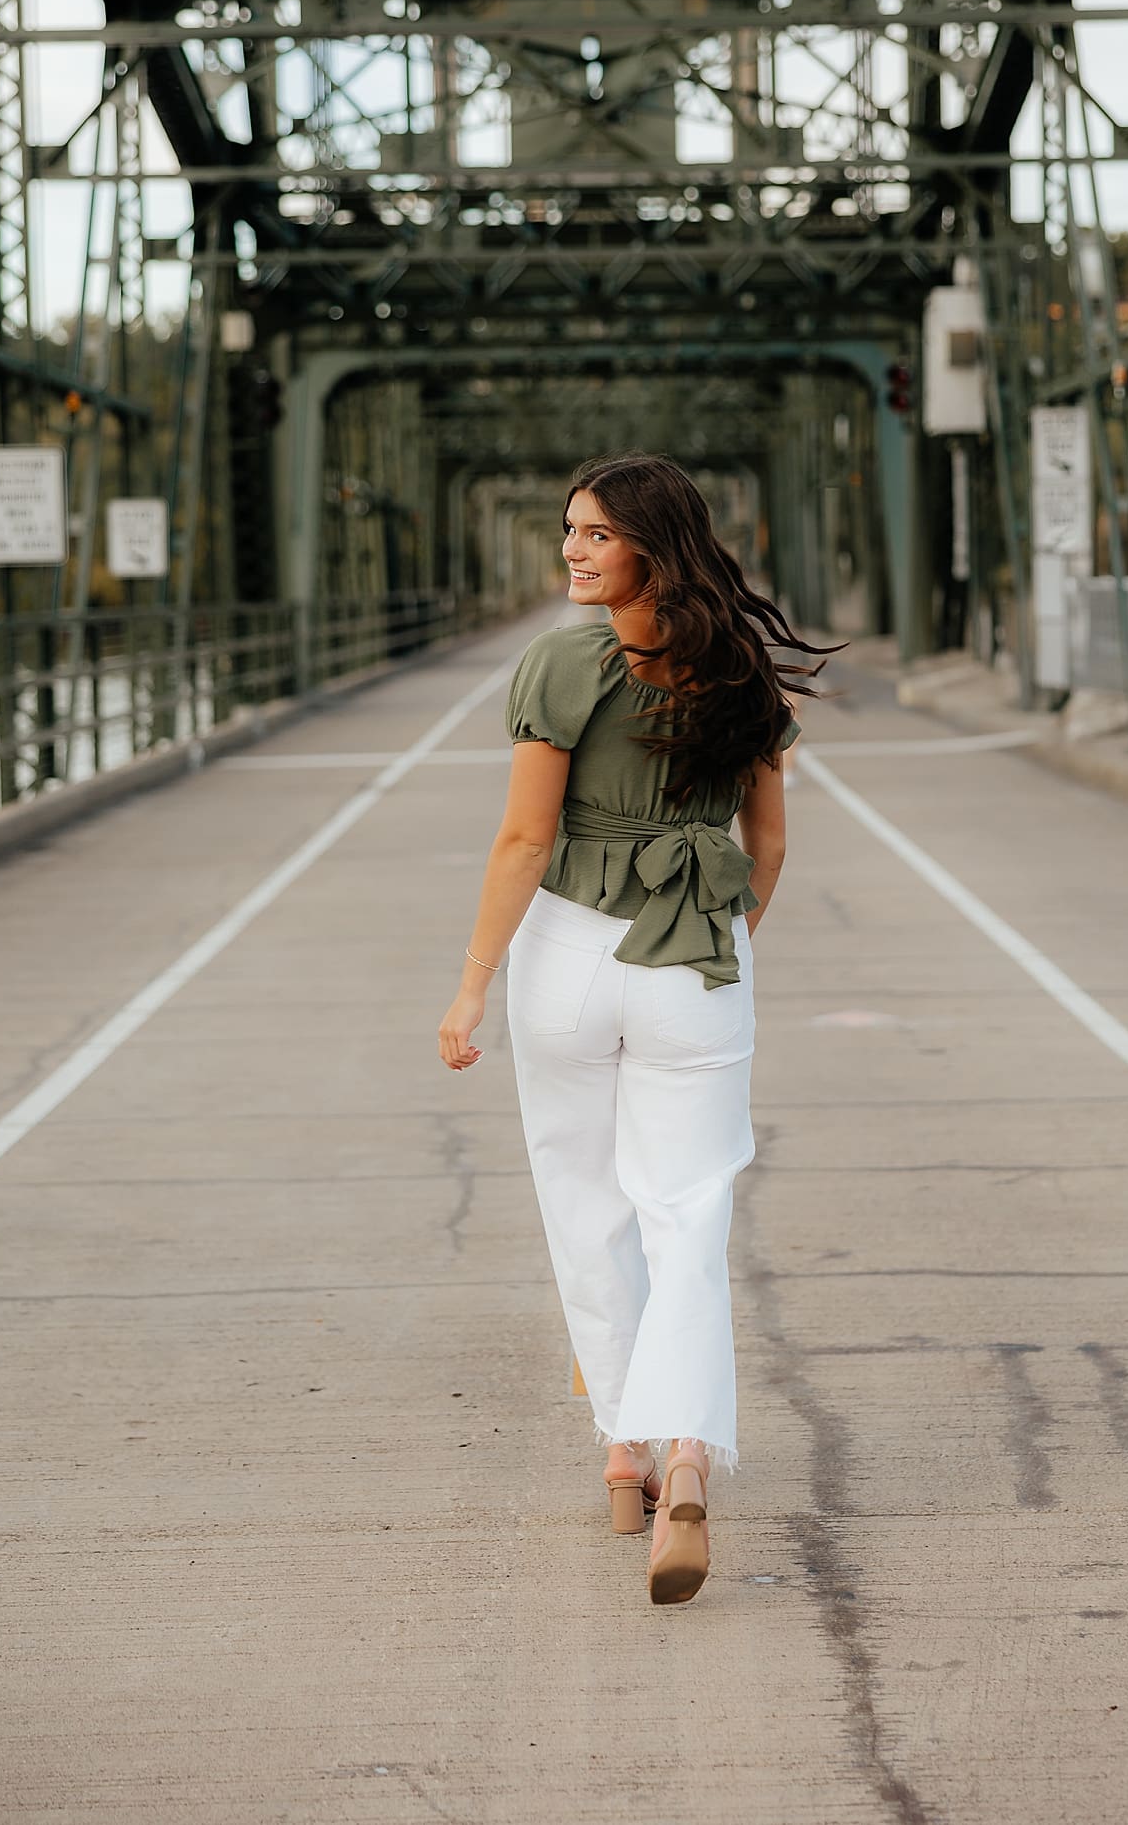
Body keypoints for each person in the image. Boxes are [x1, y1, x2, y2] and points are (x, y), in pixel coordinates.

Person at [437, 452, 831, 1606]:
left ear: (653, 547)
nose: (572, 549)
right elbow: (769, 846)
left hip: (568, 956)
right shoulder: (743, 670)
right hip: (694, 958)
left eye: (596, 534)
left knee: (587, 1206)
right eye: (570, 529)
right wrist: (726, 935)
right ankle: (690, 1452)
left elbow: (525, 841)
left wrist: (470, 987)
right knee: (687, 1212)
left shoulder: (565, 663)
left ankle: (626, 1451)